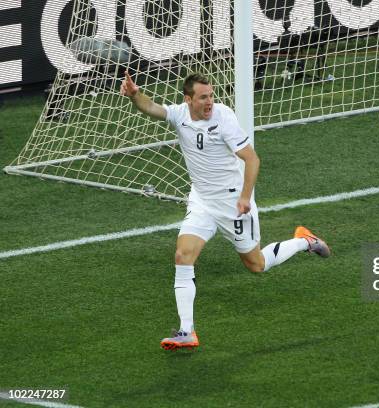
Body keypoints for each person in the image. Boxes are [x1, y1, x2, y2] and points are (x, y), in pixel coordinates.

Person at [120, 71, 330, 350]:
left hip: (233, 204)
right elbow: (150, 107)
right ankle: (186, 331)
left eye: (212, 96)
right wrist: (135, 94)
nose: (210, 102)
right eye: (204, 97)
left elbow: (252, 159)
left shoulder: (224, 118)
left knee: (256, 265)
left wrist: (245, 197)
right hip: (202, 202)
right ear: (189, 99)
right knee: (183, 255)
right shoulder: (180, 114)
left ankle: (305, 240)